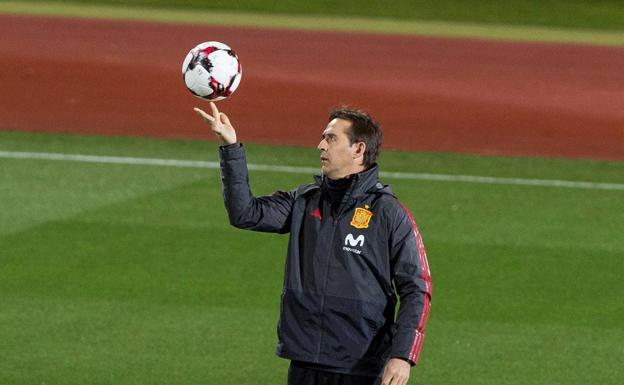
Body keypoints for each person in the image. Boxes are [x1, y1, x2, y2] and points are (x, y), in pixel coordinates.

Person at [194, 102, 432, 385]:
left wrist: (402, 355)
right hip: (306, 359)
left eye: (331, 138)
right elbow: (245, 213)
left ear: (358, 149)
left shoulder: (389, 213)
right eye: (323, 137)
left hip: (360, 366)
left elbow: (416, 288)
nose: (321, 145)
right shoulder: (304, 201)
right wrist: (230, 147)